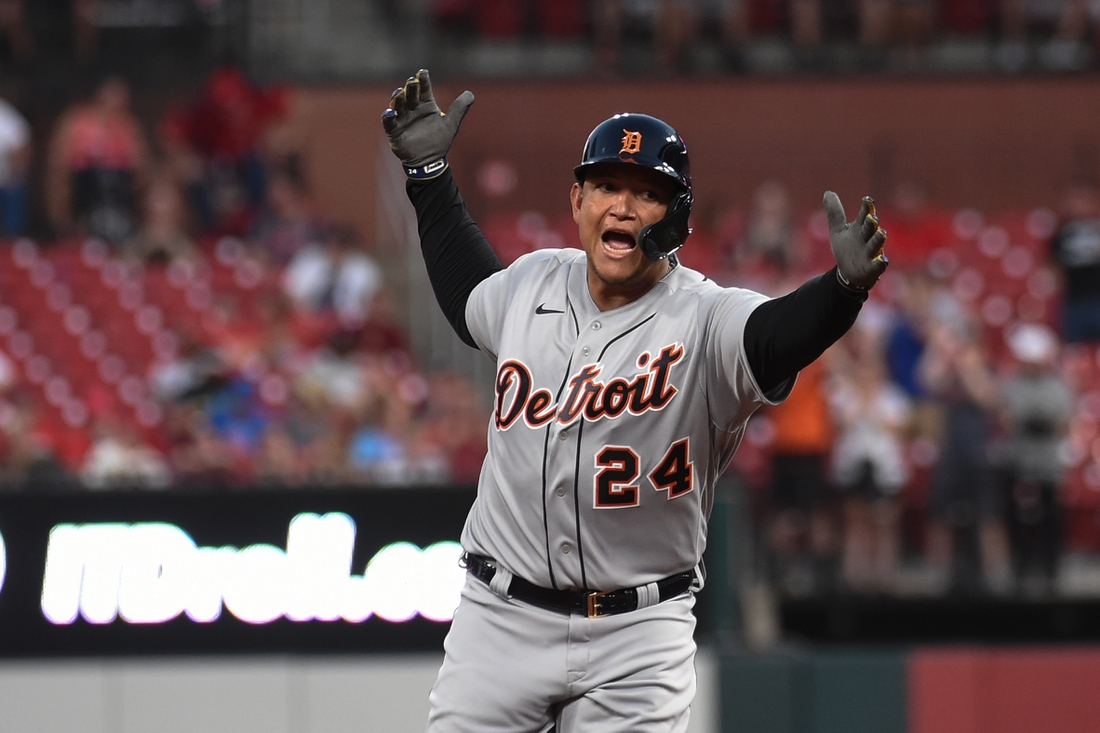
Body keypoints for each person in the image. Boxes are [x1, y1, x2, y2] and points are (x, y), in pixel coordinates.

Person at [381, 69, 887, 731]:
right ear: (577, 199)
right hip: (500, 617)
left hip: (638, 632)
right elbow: (466, 291)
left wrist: (839, 293)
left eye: (648, 193)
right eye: (608, 186)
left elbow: (773, 337)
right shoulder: (533, 280)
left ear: (677, 216)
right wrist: (428, 175)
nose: (622, 206)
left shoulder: (705, 319)